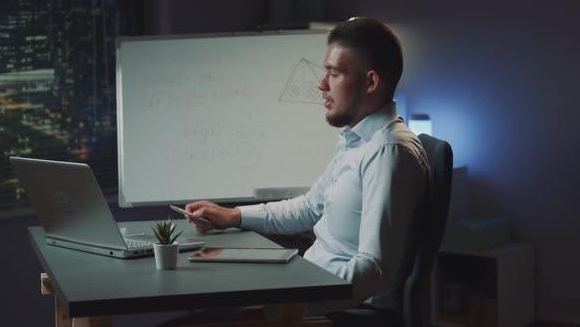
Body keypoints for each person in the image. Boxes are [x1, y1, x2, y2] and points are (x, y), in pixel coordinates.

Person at [184, 17, 430, 318]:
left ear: (370, 82)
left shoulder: (388, 152)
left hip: (337, 310)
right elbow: (310, 208)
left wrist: (293, 297)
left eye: (334, 73)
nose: (321, 84)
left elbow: (374, 269)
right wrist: (233, 216)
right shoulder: (355, 139)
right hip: (309, 287)